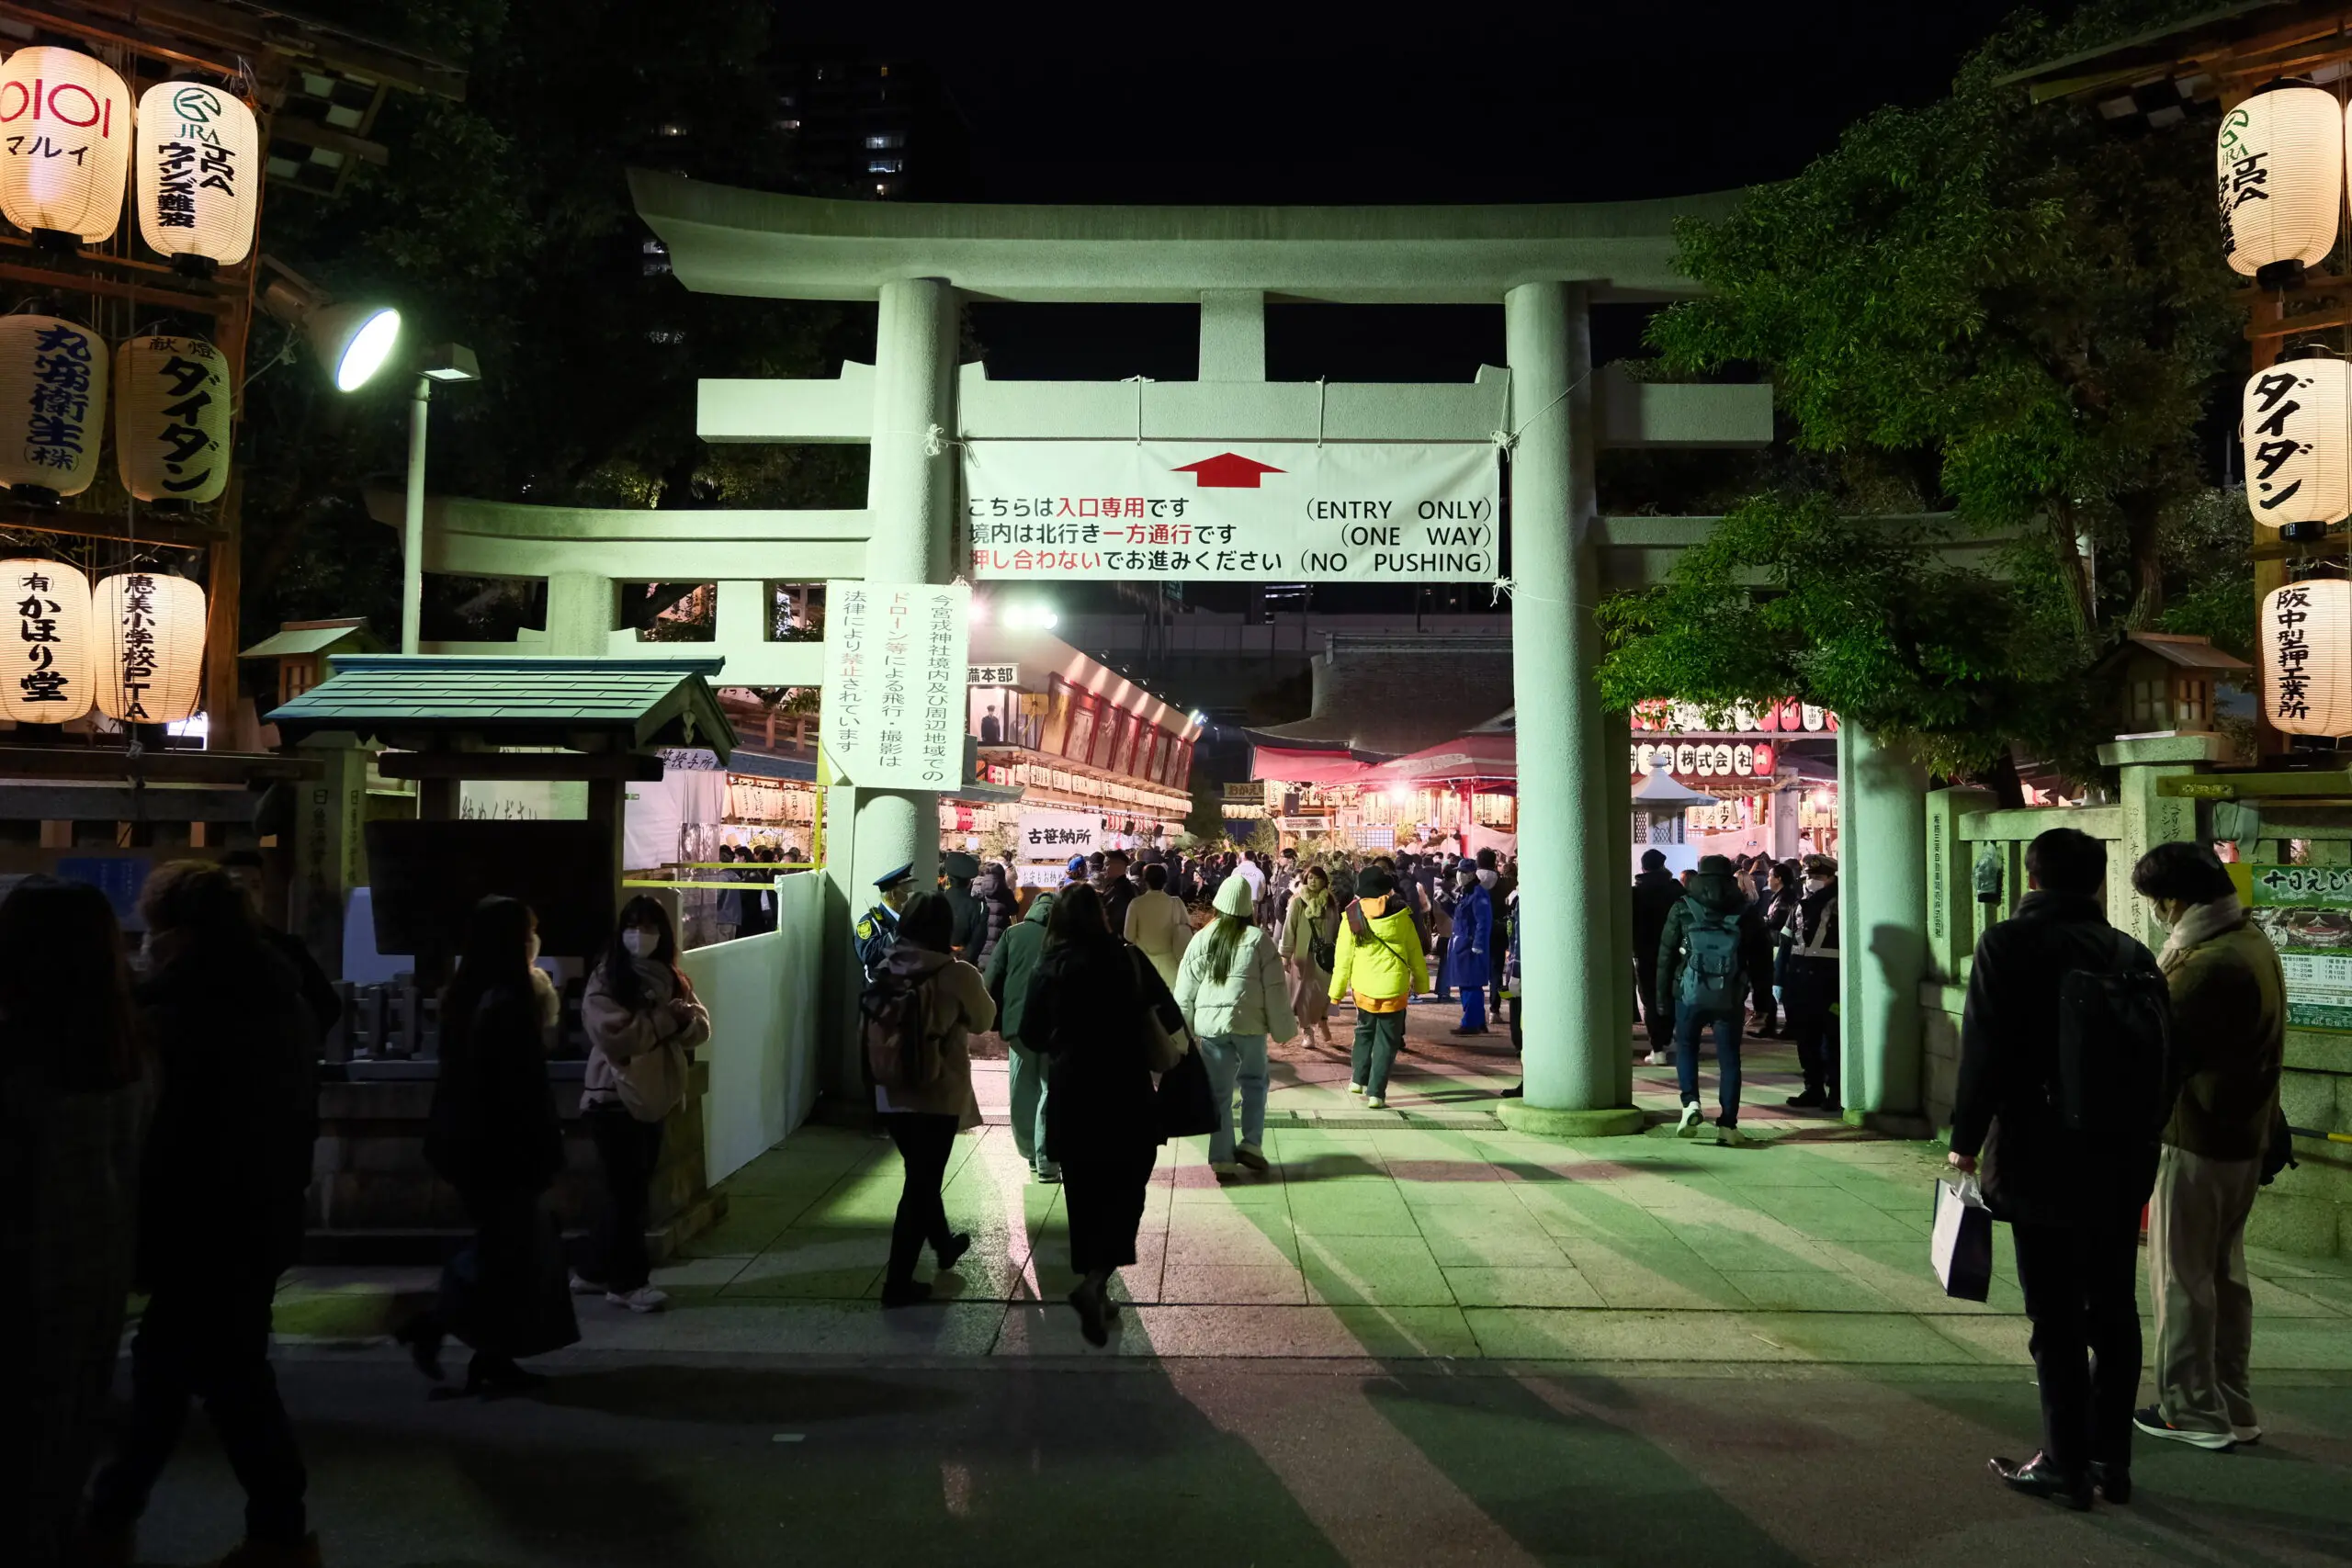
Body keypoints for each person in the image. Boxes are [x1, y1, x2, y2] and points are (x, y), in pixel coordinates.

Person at [87, 863, 319, 1567]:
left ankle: (117, 1521)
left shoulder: (189, 1014)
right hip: (257, 1215)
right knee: (206, 1373)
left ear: (181, 933)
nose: (146, 944)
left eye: (154, 931)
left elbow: (174, 1135)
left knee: (206, 1377)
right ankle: (266, 1529)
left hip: (206, 1223)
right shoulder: (276, 991)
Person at [1951, 828, 2168, 1510]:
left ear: (2032, 876)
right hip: (2121, 1155)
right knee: (2113, 1308)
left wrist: (1964, 1138)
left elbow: (1982, 1046)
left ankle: (2064, 1463)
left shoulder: (2008, 944)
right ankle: (2110, 1459)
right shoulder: (2131, 953)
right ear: (2099, 882)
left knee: (2054, 1314)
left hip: (2040, 1151)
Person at [0, 879, 146, 1568]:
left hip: (23, 1271)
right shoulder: (128, 1055)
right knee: (62, 1447)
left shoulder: (20, 1057)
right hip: (95, 1268)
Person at [2131, 841, 2285, 1453]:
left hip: (2196, 1138)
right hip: (2243, 1136)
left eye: (2157, 902)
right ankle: (2232, 1402)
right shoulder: (2250, 941)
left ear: (2175, 899)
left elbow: (2160, 1051)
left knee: (2181, 1277)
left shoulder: (2206, 963)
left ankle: (2191, 1407)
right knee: (2222, 1275)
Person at [404, 897, 578, 1398]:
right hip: (499, 1149)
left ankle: (487, 1354)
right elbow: (517, 1091)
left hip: (472, 1145)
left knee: (509, 1251)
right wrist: (543, 1149)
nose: (535, 942)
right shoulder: (506, 1003)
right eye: (528, 934)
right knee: (508, 1249)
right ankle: (438, 1323)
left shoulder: (472, 994)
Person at [1022, 882, 1171, 1346]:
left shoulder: (1050, 966)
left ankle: (1095, 1284)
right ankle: (1096, 1283)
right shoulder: (1126, 957)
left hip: (1074, 1093)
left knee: (1083, 1196)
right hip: (1126, 1091)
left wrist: (1064, 1040)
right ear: (1102, 916)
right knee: (1128, 1189)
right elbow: (1167, 1012)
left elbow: (1030, 1033)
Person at [575, 897, 710, 1314]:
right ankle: (628, 1283)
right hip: (612, 1098)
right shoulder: (607, 978)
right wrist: (667, 1021)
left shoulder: (673, 977)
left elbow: (700, 1026)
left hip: (655, 1098)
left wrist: (683, 1020)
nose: (640, 934)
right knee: (628, 1194)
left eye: (649, 925)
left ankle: (594, 1270)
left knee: (628, 1191)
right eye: (632, 925)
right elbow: (616, 1036)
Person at [865, 892, 993, 1307]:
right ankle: (897, 1283)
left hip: (889, 1088)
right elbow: (985, 1019)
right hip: (935, 1092)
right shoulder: (956, 974)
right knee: (921, 1184)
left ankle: (943, 1245)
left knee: (921, 1173)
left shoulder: (883, 967)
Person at [1176, 874, 1298, 1178]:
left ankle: (1221, 1158)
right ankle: (1251, 1145)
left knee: (1218, 1093)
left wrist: (1181, 1032)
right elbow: (1275, 989)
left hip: (1211, 1027)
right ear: (1248, 908)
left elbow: (1185, 990)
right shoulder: (1259, 941)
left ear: (1218, 906)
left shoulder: (1202, 938)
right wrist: (1283, 1028)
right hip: (1250, 1025)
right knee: (1255, 1083)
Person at [1657, 853, 1768, 1145]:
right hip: (1730, 994)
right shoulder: (1744, 911)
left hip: (1688, 992)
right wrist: (1763, 999)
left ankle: (1690, 1104)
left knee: (1687, 1049)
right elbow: (1760, 959)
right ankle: (1728, 1126)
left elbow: (1666, 955)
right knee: (1729, 1059)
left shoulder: (1682, 907)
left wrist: (1661, 998)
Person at [1329, 866, 1430, 1111]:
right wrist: (1423, 983)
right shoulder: (1402, 917)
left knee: (1363, 1032)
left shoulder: (1352, 917)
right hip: (1394, 989)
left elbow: (1343, 961)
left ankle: (1357, 1080)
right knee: (1386, 1042)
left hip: (1363, 987)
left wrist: (1336, 994)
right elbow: (1415, 953)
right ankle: (1376, 1094)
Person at [220, 850, 343, 1046]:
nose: (249, 895)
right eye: (238, 887)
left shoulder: (286, 946)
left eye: (256, 886)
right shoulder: (201, 943)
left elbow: (327, 1006)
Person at [986, 889, 1060, 1183]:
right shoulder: (1063, 939)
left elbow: (991, 978)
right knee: (1051, 1091)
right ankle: (1048, 1161)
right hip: (1056, 1029)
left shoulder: (1012, 935)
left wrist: (994, 1018)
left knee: (1022, 1090)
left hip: (1018, 1027)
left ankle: (1030, 1152)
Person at [1781, 854, 1842, 1111]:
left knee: (1833, 1041)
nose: (1813, 882)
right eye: (1810, 877)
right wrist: (1780, 980)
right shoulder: (1798, 904)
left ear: (1831, 878)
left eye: (1819, 877)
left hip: (1829, 983)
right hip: (1799, 983)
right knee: (1806, 1040)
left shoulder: (1841, 903)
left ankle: (1836, 1092)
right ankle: (1813, 1088)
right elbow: (1786, 944)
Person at [1279, 863, 1340, 1048]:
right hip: (1303, 955)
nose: (1313, 881)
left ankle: (1322, 1019)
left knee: (1324, 992)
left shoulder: (1330, 902)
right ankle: (1307, 1032)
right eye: (1310, 877)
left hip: (1325, 956)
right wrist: (1285, 954)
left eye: (1318, 878)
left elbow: (1337, 928)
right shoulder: (1297, 902)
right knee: (1303, 995)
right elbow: (1289, 929)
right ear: (1305, 880)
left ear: (1324, 881)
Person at [1631, 849, 1681, 1066]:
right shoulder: (1676, 890)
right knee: (1671, 994)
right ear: (1663, 865)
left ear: (1643, 868)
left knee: (1650, 1000)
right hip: (1674, 952)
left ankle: (1657, 1048)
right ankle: (1668, 1038)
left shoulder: (1635, 893)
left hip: (1645, 953)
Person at [1124, 861, 1192, 987]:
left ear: (1145, 881)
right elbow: (1186, 928)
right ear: (1165, 881)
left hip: (1145, 964)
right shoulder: (1176, 902)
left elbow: (1128, 936)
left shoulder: (1136, 903)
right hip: (1172, 963)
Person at [1445, 860, 1495, 1036]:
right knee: (1467, 985)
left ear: (1473, 874)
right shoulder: (1466, 892)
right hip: (1462, 945)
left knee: (1470, 985)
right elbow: (1460, 917)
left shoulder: (1478, 893)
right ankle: (1478, 1021)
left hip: (1471, 946)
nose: (1460, 875)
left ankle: (1470, 1023)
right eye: (1459, 872)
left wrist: (1478, 943)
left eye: (1463, 872)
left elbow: (1484, 920)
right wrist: (1446, 903)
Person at [856, 863, 917, 981]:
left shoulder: (909, 917)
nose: (910, 893)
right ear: (894, 894)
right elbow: (867, 954)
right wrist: (899, 931)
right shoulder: (870, 921)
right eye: (906, 889)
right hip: (882, 990)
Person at [941, 852, 989, 966]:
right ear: (969, 882)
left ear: (949, 879)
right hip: (964, 968)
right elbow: (977, 943)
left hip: (936, 965)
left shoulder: (935, 901)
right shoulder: (980, 907)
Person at [973, 855, 1020, 970]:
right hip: (1000, 937)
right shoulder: (1006, 892)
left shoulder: (979, 890)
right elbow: (1014, 910)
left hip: (982, 937)